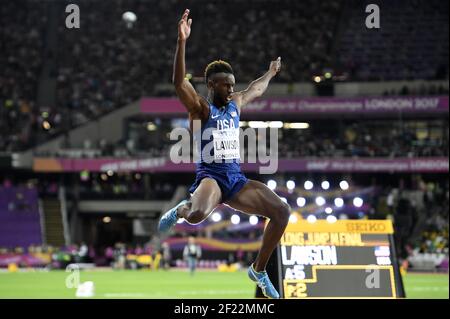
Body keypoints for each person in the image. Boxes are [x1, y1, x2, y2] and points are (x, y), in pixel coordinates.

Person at [158, 9, 290, 299]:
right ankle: (181, 208)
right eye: (225, 85)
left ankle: (258, 270)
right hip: (211, 177)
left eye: (232, 84)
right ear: (211, 85)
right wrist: (182, 43)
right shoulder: (201, 109)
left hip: (235, 179)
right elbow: (179, 84)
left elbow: (256, 89)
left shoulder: (236, 102)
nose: (231, 89)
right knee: (196, 215)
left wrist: (270, 73)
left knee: (281, 212)